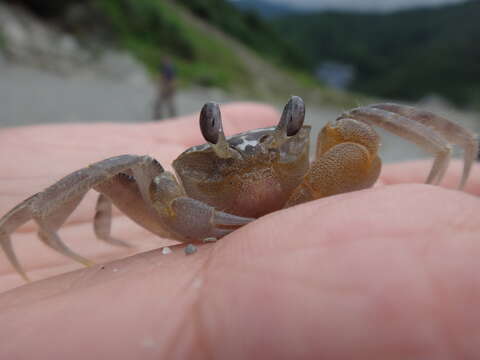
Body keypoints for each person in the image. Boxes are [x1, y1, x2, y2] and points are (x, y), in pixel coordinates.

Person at [0, 103, 479, 359]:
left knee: (358, 121)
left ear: (300, 133)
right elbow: (127, 184)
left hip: (307, 187)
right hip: (194, 215)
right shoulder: (169, 185)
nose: (257, 170)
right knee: (119, 169)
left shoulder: (330, 144)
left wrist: (311, 191)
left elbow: (363, 150)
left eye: (288, 143)